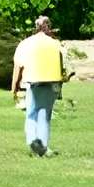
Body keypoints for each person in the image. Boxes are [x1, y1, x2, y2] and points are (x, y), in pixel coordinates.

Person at [9, 14, 66, 156]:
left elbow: (18, 67)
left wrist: (14, 87)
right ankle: (43, 146)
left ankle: (33, 141)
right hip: (51, 82)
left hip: (32, 82)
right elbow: (61, 66)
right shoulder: (55, 43)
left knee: (31, 113)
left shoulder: (26, 43)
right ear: (49, 27)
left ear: (35, 27)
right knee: (44, 115)